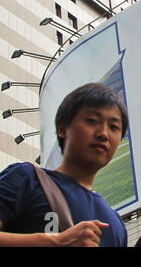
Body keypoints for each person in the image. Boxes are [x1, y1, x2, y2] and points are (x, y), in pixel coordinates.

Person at [0, 83, 129, 247]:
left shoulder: (117, 225)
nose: (103, 133)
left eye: (114, 127)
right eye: (92, 120)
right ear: (62, 129)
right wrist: (55, 241)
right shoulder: (25, 178)